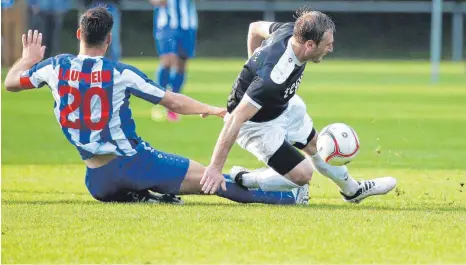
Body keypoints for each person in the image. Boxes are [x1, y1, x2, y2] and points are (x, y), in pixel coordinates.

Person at [4, 7, 307, 205]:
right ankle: (290, 197)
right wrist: (212, 109)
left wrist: (29, 58)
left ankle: (143, 196)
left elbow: (11, 82)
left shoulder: (55, 67)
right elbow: (171, 99)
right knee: (212, 180)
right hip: (133, 164)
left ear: (79, 34)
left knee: (150, 182)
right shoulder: (120, 73)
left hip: (95, 180)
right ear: (109, 39)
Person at [200, 8, 397, 204]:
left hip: (283, 104)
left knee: (316, 144)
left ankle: (352, 191)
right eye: (327, 44)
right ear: (310, 45)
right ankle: (244, 178)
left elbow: (254, 28)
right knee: (302, 175)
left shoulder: (289, 31)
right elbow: (236, 118)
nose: (331, 48)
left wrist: (253, 65)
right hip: (256, 124)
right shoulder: (273, 77)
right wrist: (215, 168)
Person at [149, 0, 198, 122]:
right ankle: (159, 99)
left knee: (181, 64)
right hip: (166, 25)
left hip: (187, 25)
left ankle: (173, 104)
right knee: (167, 61)